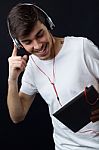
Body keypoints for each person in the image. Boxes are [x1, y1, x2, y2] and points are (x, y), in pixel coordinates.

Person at [7, 2, 99, 150]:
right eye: (28, 42)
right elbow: (17, 116)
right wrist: (12, 80)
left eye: (40, 34)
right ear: (19, 44)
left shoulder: (81, 47)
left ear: (48, 24)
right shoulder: (31, 67)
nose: (37, 46)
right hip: (64, 147)